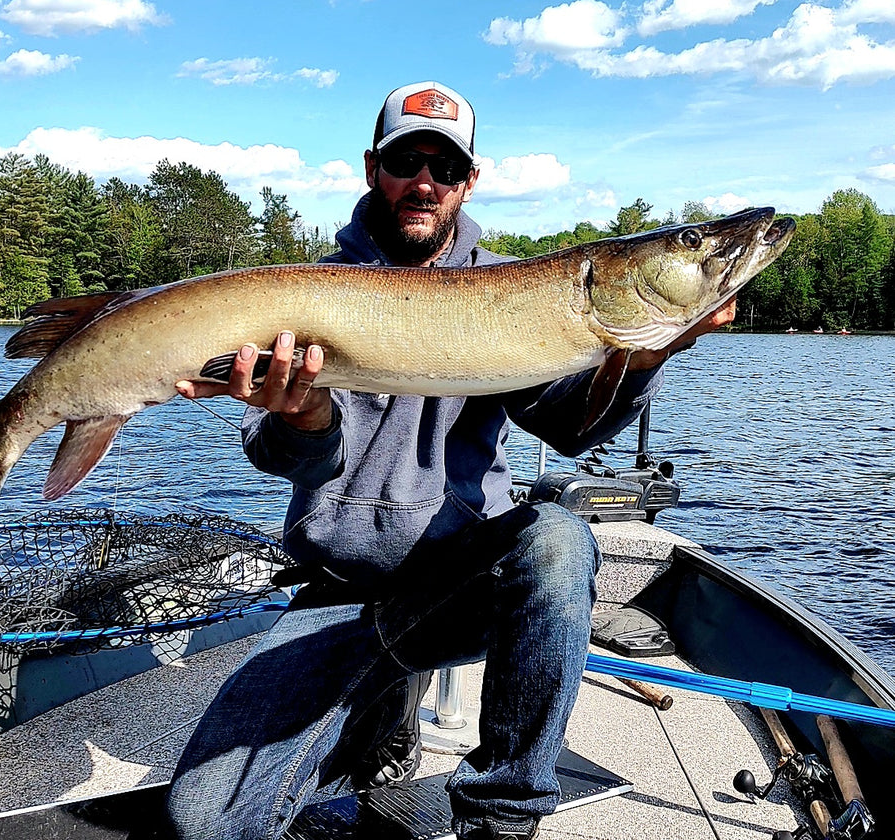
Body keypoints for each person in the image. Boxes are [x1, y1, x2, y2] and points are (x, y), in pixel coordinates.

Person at [167, 81, 734, 840]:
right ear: (375, 169)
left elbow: (567, 430)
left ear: (470, 180)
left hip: (461, 582)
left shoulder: (523, 293)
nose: (424, 181)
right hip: (336, 590)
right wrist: (304, 416)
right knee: (203, 826)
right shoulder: (306, 293)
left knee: (558, 538)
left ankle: (501, 818)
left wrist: (639, 361)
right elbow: (276, 453)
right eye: (408, 160)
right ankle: (378, 721)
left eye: (445, 165)